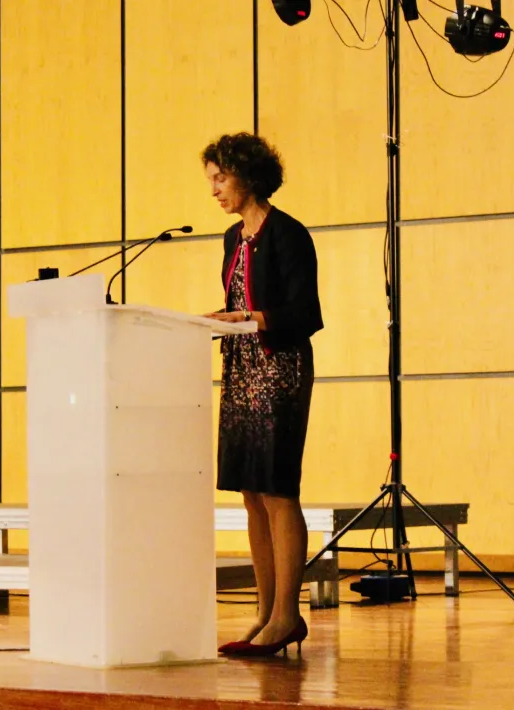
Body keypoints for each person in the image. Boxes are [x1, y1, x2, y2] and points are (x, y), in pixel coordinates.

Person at [202, 132, 323, 657]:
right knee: (251, 492)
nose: (214, 190)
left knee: (278, 491)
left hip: (280, 369)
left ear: (248, 175)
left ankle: (288, 615)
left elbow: (306, 314)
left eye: (220, 178)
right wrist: (216, 319)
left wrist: (249, 318)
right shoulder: (233, 237)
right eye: (210, 180)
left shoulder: (289, 234)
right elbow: (236, 299)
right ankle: (265, 611)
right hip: (241, 371)